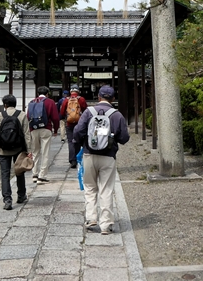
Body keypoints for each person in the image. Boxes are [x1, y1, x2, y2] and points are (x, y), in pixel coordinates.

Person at [72, 85, 129, 234]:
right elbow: (124, 138)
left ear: (98, 97)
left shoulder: (88, 112)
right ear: (113, 99)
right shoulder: (117, 115)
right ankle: (106, 224)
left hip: (89, 155)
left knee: (90, 187)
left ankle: (91, 218)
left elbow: (78, 132)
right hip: (108, 156)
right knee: (106, 189)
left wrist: (80, 144)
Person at [0, 94, 33, 210]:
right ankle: (21, 195)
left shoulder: (0, 115)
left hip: (3, 149)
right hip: (18, 148)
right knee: (19, 171)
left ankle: (7, 200)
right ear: (15, 103)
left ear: (5, 104)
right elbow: (26, 134)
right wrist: (29, 150)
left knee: (5, 174)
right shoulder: (22, 115)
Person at [27, 86, 60, 184]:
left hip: (34, 129)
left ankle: (34, 174)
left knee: (35, 152)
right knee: (45, 152)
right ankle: (42, 176)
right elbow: (55, 118)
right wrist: (55, 129)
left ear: (37, 93)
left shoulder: (32, 102)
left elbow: (28, 116)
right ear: (47, 93)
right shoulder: (50, 102)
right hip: (46, 128)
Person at [60, 86, 88, 168]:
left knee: (70, 141)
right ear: (78, 91)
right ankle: (78, 157)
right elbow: (85, 110)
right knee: (78, 140)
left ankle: (72, 160)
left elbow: (62, 112)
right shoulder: (81, 99)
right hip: (79, 124)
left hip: (69, 124)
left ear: (70, 91)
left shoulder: (66, 100)